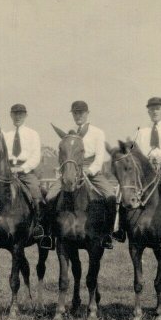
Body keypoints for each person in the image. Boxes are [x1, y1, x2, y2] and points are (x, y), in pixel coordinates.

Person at [45, 100, 116, 248]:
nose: (78, 116)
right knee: (50, 196)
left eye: (81, 113)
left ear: (87, 114)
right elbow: (64, 156)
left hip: (91, 171)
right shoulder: (68, 135)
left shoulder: (97, 132)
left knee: (110, 195)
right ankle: (49, 234)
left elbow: (100, 157)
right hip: (71, 171)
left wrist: (90, 170)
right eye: (75, 113)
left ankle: (108, 234)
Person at [3, 104, 44, 238]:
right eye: (15, 114)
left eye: (20, 114)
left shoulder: (33, 134)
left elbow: (35, 156)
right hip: (7, 172)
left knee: (36, 193)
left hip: (26, 172)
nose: (17, 116)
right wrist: (7, 169)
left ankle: (39, 226)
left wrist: (22, 168)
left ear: (26, 115)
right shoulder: (5, 135)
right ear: (10, 115)